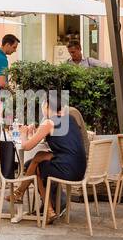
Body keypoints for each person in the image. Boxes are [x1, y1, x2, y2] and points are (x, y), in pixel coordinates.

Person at [9, 94, 88, 224]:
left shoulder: (49, 122)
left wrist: (23, 133)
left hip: (67, 169)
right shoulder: (70, 118)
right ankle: (20, 192)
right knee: (39, 157)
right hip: (79, 168)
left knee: (37, 168)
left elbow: (26, 146)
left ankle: (49, 210)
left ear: (46, 106)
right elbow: (65, 145)